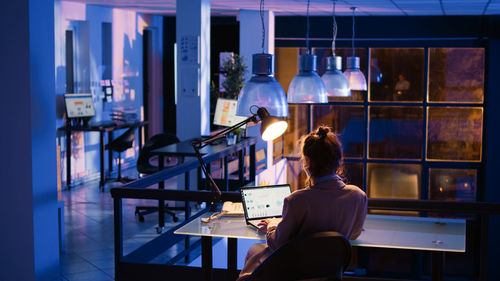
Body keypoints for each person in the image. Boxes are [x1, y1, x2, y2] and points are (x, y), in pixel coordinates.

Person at [237, 126, 367, 281]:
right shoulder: (358, 196)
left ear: (309, 162)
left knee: (254, 253)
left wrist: (272, 225)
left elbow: (278, 244)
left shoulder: (297, 200)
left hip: (292, 272)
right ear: (338, 160)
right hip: (326, 274)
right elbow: (353, 235)